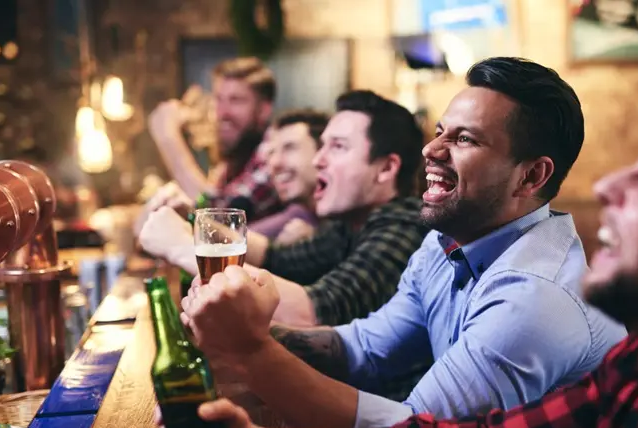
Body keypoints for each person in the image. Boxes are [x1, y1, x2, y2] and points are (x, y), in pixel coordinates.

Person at [156, 68, 638, 428]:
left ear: (531, 176)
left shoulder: (537, 298)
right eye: (439, 132)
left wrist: (252, 353)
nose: (611, 184)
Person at [140, 90, 429, 327]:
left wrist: (181, 245)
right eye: (322, 146)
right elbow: (274, 257)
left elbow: (312, 313)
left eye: (338, 147)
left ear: (386, 168)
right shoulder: (350, 225)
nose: (318, 161)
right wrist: (197, 223)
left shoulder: (404, 228)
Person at [147, 57, 282, 221]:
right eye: (218, 99)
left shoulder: (274, 154)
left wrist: (169, 138)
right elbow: (206, 203)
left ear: (264, 110)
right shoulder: (234, 159)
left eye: (236, 100)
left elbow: (221, 221)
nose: (222, 112)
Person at [248, 109, 329, 240]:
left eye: (290, 148)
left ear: (322, 152)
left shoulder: (354, 218)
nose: (275, 162)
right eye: (271, 153)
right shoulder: (298, 214)